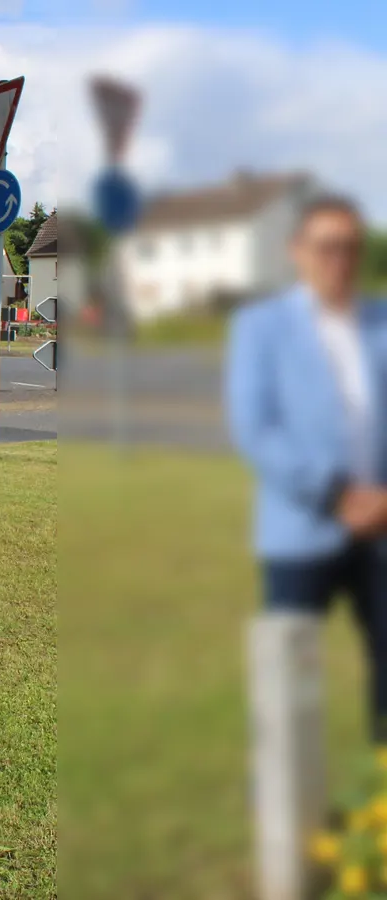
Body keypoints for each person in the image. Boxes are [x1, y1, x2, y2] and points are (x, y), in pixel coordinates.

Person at [226, 194, 387, 739]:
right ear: (298, 251)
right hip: (301, 531)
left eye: (350, 248)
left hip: (382, 530)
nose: (338, 259)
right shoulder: (261, 327)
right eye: (326, 247)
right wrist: (340, 496)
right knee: (289, 693)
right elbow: (257, 428)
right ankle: (291, 818)